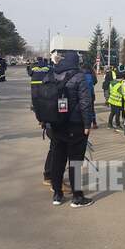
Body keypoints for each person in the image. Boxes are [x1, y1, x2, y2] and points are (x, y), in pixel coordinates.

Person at [49, 50, 93, 207]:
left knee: (57, 159)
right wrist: (87, 124)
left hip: (56, 124)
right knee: (75, 162)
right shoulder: (79, 76)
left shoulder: (53, 73)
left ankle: (57, 194)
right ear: (76, 61)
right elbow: (85, 102)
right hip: (75, 124)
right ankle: (77, 197)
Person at [82, 64, 98, 129]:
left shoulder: (81, 74)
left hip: (83, 94)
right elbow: (95, 82)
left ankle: (84, 124)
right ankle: (94, 123)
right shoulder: (92, 75)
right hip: (91, 93)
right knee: (92, 109)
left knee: (83, 109)